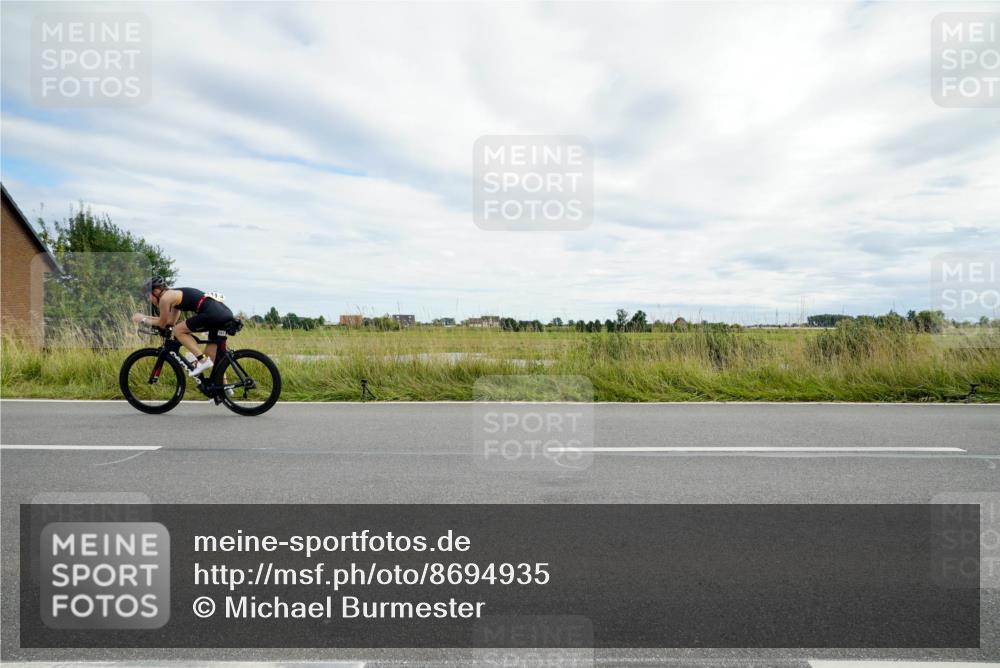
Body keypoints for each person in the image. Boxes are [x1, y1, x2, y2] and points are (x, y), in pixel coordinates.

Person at [133, 276, 234, 377]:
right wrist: (146, 318)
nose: (148, 299)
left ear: (156, 291)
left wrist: (143, 319)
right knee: (212, 355)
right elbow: (170, 322)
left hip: (212, 314)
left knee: (178, 331)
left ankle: (202, 361)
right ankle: (224, 388)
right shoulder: (173, 296)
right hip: (222, 312)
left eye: (147, 295)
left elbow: (162, 323)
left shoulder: (165, 299)